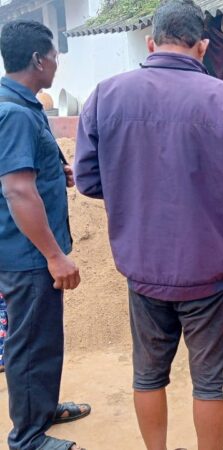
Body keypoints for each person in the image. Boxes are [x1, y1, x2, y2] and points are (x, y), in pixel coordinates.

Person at [73, 1, 223, 448]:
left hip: (143, 271)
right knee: (211, 382)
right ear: (202, 46)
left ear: (150, 42)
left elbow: (87, 181)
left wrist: (134, 184)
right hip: (210, 274)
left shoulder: (105, 96)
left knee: (147, 375)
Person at [0, 20, 90, 450]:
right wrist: (55, 255)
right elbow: (17, 189)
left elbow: (25, 172)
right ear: (38, 60)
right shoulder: (15, 113)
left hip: (25, 248)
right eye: (54, 56)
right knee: (31, 339)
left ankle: (41, 407)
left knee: (42, 335)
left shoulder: (22, 103)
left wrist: (58, 171)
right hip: (29, 253)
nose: (57, 64)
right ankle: (28, 437)